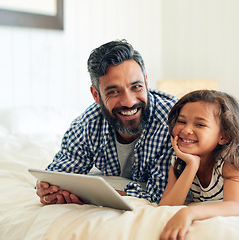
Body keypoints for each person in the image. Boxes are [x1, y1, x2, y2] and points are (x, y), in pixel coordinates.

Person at [36, 39, 178, 205]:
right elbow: (58, 175)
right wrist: (48, 189)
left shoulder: (175, 123)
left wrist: (95, 195)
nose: (129, 102)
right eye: (114, 91)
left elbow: (161, 196)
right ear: (96, 95)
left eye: (136, 87)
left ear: (146, 83)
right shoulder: (89, 123)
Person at [159, 90, 239, 240]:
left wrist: (189, 213)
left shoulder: (233, 160)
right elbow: (167, 206)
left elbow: (234, 205)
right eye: (181, 121)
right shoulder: (179, 159)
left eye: (200, 124)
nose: (186, 130)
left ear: (224, 136)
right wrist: (191, 166)